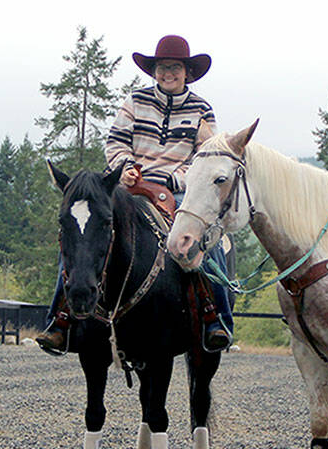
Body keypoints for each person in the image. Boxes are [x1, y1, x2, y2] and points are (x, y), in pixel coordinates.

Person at [35, 34, 233, 353]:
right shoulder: (135, 102)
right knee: (81, 234)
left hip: (177, 189)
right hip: (129, 185)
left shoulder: (201, 110)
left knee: (205, 239)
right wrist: (125, 167)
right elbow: (115, 141)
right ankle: (59, 320)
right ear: (154, 71)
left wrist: (176, 179)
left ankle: (216, 318)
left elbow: (205, 156)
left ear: (187, 72)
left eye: (175, 68)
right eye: (162, 67)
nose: (168, 73)